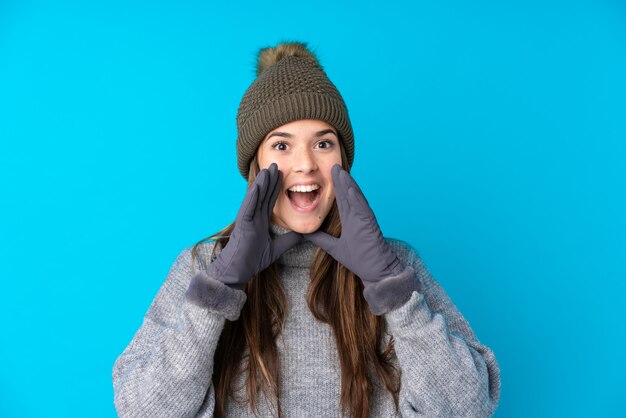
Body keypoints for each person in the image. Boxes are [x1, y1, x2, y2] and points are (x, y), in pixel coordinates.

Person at [112, 41, 501, 418]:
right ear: (255, 164)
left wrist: (390, 287)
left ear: (343, 161)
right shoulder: (205, 264)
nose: (305, 165)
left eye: (323, 144)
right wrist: (218, 291)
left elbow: (469, 408)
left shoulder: (393, 265)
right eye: (282, 146)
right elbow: (142, 410)